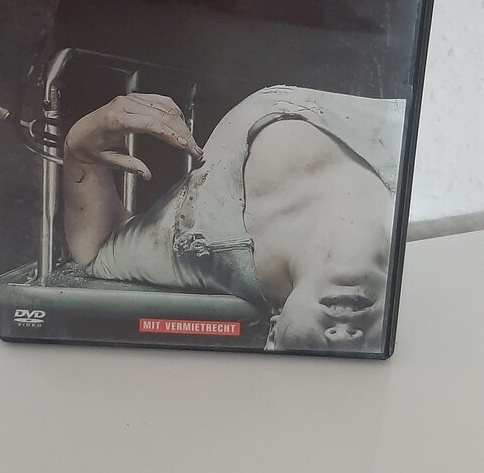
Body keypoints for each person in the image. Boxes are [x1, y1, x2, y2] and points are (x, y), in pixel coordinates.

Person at [63, 86, 405, 354]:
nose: (343, 337)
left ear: (273, 337)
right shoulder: (426, 196)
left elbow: (96, 250)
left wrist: (80, 147)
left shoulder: (207, 242)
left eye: (320, 361)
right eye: (358, 362)